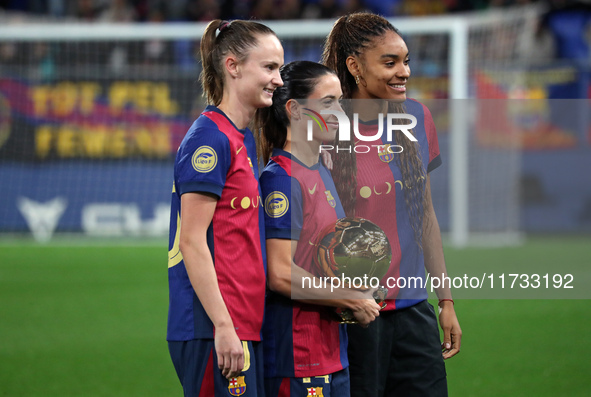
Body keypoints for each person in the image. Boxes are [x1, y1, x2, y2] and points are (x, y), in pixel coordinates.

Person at [321, 12, 462, 396]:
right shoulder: (321, 127)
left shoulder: (417, 117)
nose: (404, 72)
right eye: (390, 62)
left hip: (414, 311)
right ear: (354, 67)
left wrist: (445, 299)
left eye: (406, 61)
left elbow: (426, 215)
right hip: (351, 315)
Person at [166, 19, 284, 396]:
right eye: (269, 68)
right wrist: (222, 325)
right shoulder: (209, 139)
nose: (278, 80)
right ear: (233, 66)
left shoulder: (239, 138)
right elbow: (192, 241)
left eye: (278, 68)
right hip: (212, 326)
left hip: (242, 322)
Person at [256, 60, 381, 397]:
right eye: (328, 102)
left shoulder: (319, 169)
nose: (339, 112)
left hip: (331, 354)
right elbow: (280, 273)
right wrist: (351, 298)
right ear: (295, 110)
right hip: (297, 358)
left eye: (340, 101)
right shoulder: (281, 180)